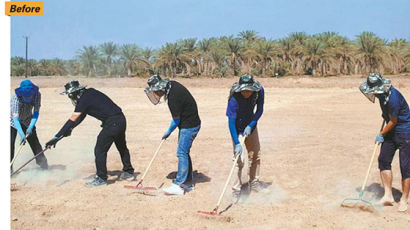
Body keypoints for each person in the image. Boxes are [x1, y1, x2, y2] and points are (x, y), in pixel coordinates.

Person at [45, 80, 134, 187]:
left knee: (100, 150)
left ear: (75, 94)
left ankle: (101, 178)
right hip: (120, 119)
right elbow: (81, 117)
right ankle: (128, 172)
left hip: (112, 123)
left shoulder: (83, 100)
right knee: (121, 146)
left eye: (70, 96)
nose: (71, 98)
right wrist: (69, 130)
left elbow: (73, 118)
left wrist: (57, 136)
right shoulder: (90, 93)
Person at [359, 73, 410, 212]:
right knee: (383, 160)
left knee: (406, 167)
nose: (372, 93)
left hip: (405, 132)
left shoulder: (393, 98)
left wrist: (381, 134)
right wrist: (385, 115)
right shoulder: (382, 95)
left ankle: (404, 199)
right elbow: (388, 117)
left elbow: (394, 121)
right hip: (391, 129)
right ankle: (388, 195)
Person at [144, 75, 201, 195]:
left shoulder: (173, 97)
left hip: (189, 126)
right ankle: (188, 183)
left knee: (181, 153)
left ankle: (179, 185)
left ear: (160, 88)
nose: (156, 94)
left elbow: (176, 120)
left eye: (156, 91)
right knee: (184, 152)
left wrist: (168, 131)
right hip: (190, 123)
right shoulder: (173, 86)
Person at [226, 74, 264, 203]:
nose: (246, 93)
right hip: (237, 128)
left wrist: (251, 125)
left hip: (251, 126)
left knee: (255, 155)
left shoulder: (259, 91)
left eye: (249, 91)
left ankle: (254, 183)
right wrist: (237, 142)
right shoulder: (234, 98)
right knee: (238, 160)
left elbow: (259, 110)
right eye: (244, 91)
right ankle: (236, 190)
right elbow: (231, 122)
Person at [10, 80, 48, 171]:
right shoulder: (15, 98)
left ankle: (43, 165)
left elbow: (36, 112)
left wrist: (31, 126)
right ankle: (9, 168)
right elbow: (15, 118)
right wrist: (21, 134)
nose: (28, 97)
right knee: (9, 145)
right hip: (12, 123)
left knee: (35, 143)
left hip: (28, 120)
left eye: (29, 95)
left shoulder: (37, 95)